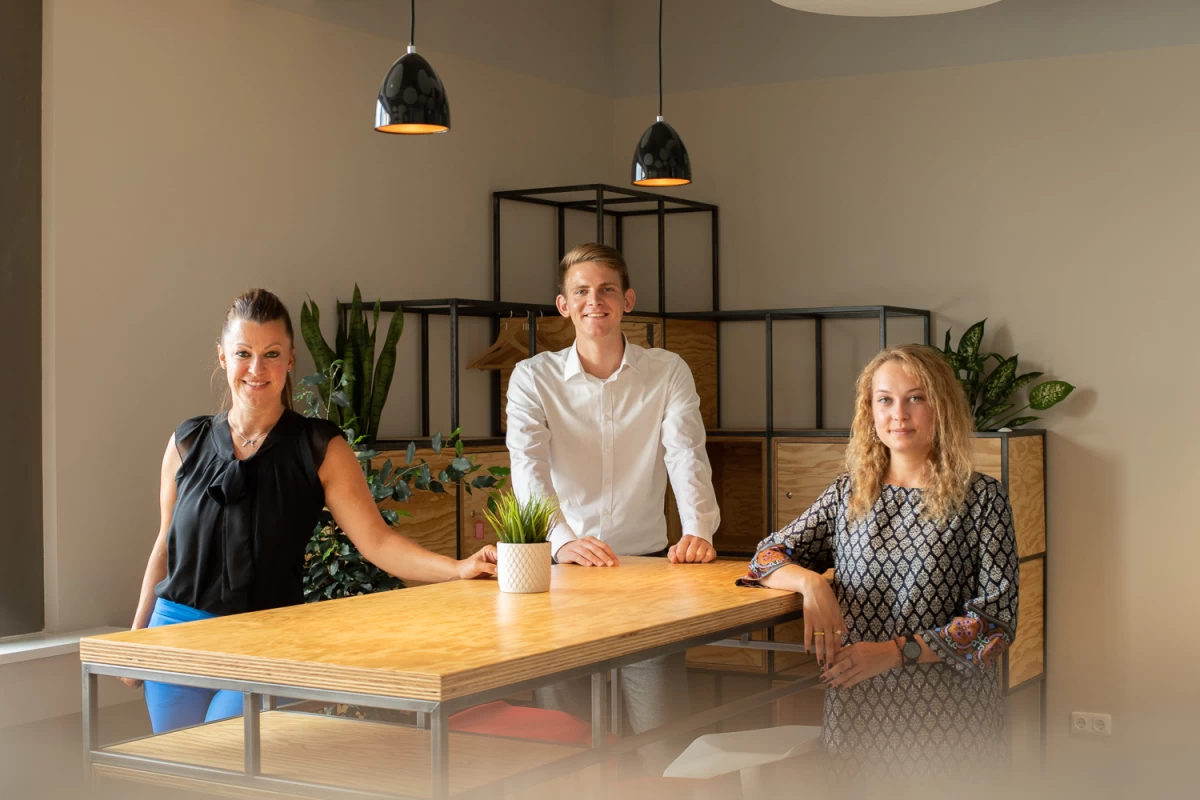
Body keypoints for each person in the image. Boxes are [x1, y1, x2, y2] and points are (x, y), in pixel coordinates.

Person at [127, 289, 497, 734]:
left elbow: (376, 541)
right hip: (175, 633)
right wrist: (136, 640)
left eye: (271, 354)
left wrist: (457, 568)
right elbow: (164, 547)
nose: (257, 369)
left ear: (290, 361)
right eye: (243, 353)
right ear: (223, 358)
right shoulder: (186, 441)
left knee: (227, 756)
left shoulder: (318, 446)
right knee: (179, 773)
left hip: (267, 637)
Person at [740, 343, 1018, 786]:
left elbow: (993, 626)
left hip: (950, 722)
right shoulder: (848, 495)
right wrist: (813, 585)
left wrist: (894, 652)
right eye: (885, 400)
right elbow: (767, 557)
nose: (899, 414)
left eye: (916, 397)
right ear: (869, 412)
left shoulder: (982, 499)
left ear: (940, 405)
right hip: (859, 716)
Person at [505, 243, 721, 773]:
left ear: (627, 300)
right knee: (567, 744)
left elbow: (687, 455)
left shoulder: (668, 370)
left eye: (605, 290)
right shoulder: (533, 378)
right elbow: (528, 470)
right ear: (563, 304)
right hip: (562, 579)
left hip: (647, 577)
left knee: (662, 739)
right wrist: (561, 542)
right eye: (580, 291)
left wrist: (698, 530)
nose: (593, 301)